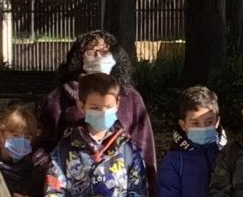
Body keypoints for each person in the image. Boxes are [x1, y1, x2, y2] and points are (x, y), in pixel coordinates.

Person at [33, 31, 158, 176]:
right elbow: (44, 144)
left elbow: (144, 146)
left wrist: (146, 185)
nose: (98, 56)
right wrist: (53, 175)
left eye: (105, 51)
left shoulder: (130, 97)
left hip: (120, 185)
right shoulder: (59, 96)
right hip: (72, 183)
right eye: (91, 51)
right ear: (79, 57)